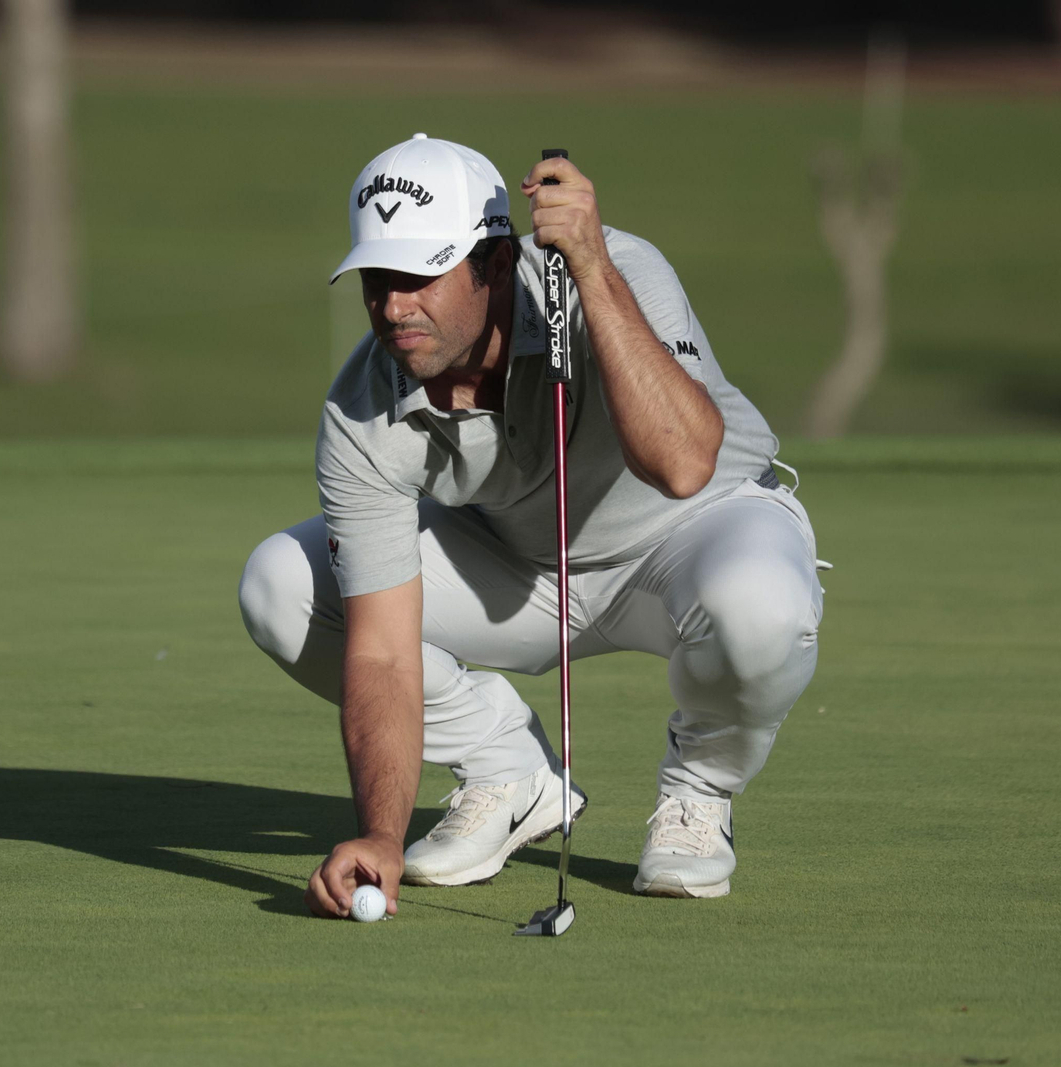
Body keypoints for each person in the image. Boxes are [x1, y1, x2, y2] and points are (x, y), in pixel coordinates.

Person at [238, 134, 824, 920]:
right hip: (522, 572)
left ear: (495, 262)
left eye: (420, 275)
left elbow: (683, 464)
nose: (394, 307)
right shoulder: (363, 406)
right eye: (378, 279)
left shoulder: (613, 269)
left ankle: (698, 792)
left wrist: (592, 269)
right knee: (281, 585)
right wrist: (380, 832)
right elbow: (381, 651)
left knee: (762, 605)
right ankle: (507, 770)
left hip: (694, 537)